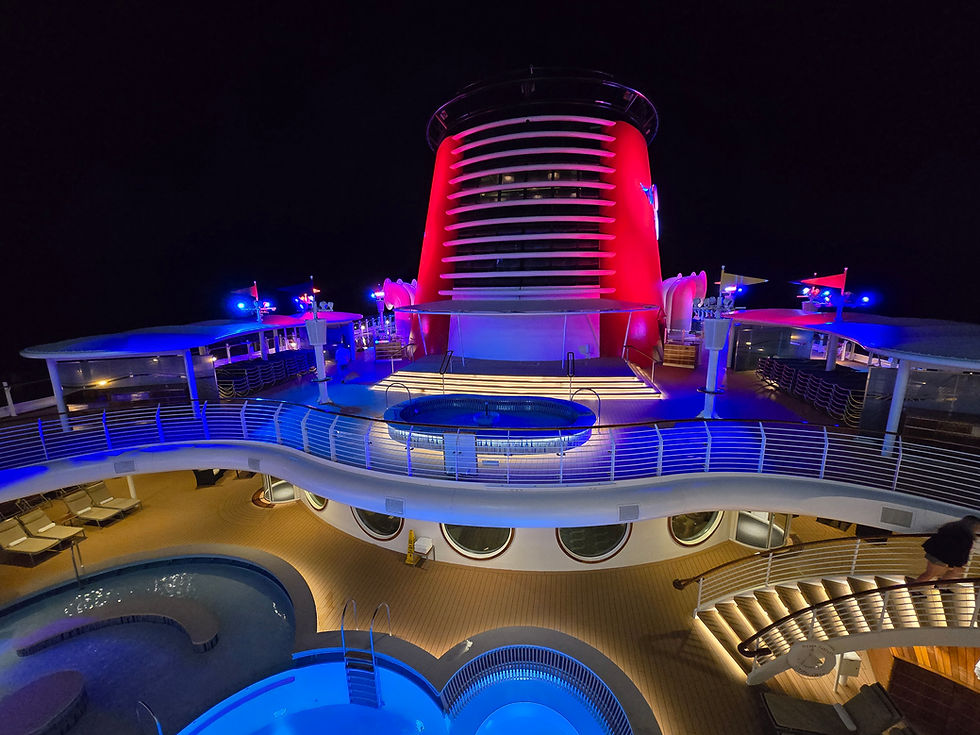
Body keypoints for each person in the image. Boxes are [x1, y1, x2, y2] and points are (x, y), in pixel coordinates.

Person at [913, 515, 980, 582]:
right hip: (940, 556)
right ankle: (914, 588)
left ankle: (941, 585)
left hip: (936, 553)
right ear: (972, 526)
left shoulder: (951, 527)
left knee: (931, 573)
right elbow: (961, 551)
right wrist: (957, 565)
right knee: (929, 574)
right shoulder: (966, 537)